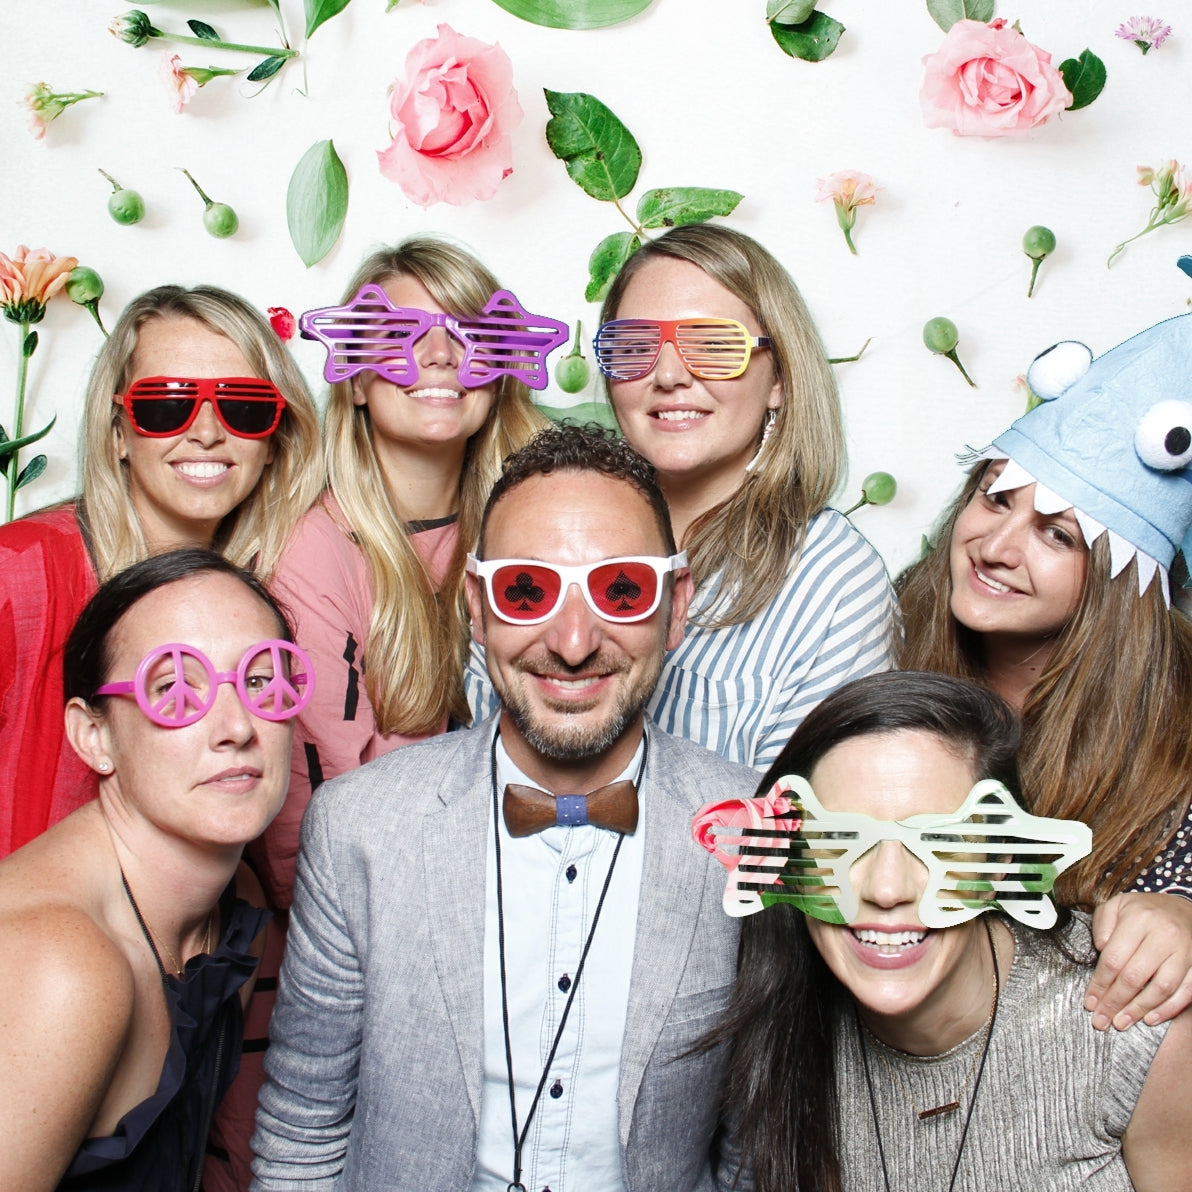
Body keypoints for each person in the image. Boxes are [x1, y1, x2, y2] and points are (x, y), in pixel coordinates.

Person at [252, 425, 757, 1191]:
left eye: (622, 589)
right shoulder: (358, 828)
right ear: (479, 611)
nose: (575, 640)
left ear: (675, 605)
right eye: (529, 590)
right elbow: (302, 1124)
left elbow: (757, 1147)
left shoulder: (753, 826)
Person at [696, 670, 1192, 1192]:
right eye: (839, 839)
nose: (888, 888)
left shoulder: (1135, 1022)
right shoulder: (792, 1036)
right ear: (788, 860)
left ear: (1000, 858)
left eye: (937, 841)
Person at [896, 315, 1192, 1032]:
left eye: (1056, 534)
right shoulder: (881, 644)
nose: (994, 547)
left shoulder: (1176, 744)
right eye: (995, 498)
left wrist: (1184, 915)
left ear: (1123, 586)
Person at [257, 236, 553, 914]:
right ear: (356, 380)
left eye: (470, 334)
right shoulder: (311, 552)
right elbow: (312, 822)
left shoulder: (533, 531)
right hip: (376, 916)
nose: (441, 355)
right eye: (400, 335)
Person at [0, 549, 305, 1191]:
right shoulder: (62, 969)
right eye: (172, 689)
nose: (236, 727)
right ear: (94, 736)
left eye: (260, 679)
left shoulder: (233, 909)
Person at [0, 284, 321, 860]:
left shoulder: (277, 593)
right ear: (118, 431)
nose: (205, 431)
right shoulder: (19, 572)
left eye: (244, 406)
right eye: (165, 404)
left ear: (274, 438)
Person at [596, 223, 895, 768]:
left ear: (778, 376)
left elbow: (808, 821)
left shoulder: (833, 581)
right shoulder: (552, 530)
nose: (667, 375)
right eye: (635, 346)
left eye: (713, 345)